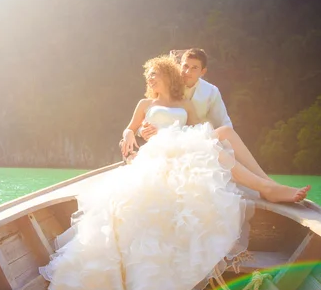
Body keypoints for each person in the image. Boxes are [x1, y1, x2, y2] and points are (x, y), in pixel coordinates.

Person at [39, 55, 256, 290]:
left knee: (193, 189)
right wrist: (132, 133)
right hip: (153, 153)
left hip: (178, 153)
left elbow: (199, 132)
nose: (150, 78)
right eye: (148, 75)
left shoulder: (185, 104)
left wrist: (173, 136)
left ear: (167, 74)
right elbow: (130, 128)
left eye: (155, 73)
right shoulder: (145, 104)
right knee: (129, 205)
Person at [126, 48, 309, 202]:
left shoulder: (206, 93)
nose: (187, 72)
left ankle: (270, 184)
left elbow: (205, 124)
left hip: (186, 136)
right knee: (210, 147)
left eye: (194, 68)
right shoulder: (156, 95)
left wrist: (210, 140)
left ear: (203, 71)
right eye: (184, 66)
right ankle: (266, 188)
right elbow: (141, 120)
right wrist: (138, 131)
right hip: (165, 145)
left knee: (226, 132)